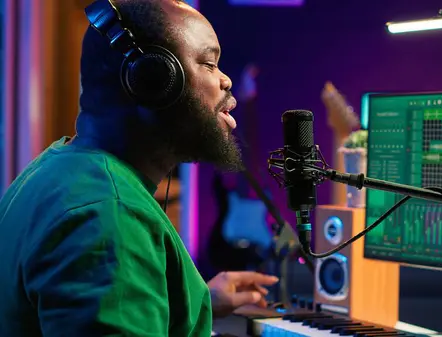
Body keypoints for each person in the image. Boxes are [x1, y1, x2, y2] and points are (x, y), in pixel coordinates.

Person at [0, 0, 278, 336]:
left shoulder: (59, 169)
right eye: (209, 63)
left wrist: (199, 299)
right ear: (154, 79)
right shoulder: (108, 216)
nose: (226, 80)